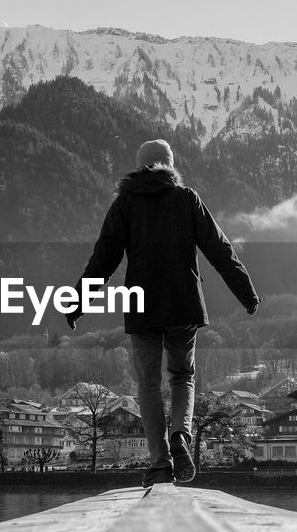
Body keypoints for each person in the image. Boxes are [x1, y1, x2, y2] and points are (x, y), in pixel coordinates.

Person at [65, 138, 259, 487]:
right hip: (184, 302)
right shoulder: (187, 199)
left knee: (148, 383)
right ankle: (180, 436)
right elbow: (219, 248)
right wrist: (246, 292)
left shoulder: (125, 204)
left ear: (140, 167)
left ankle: (159, 464)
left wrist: (78, 302)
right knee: (182, 376)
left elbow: (104, 259)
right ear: (170, 166)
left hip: (143, 306)